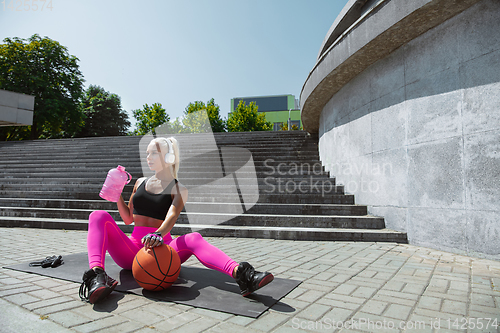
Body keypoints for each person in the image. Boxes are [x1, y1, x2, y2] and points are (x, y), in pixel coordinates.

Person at [79, 137, 273, 304]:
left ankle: (242, 275)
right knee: (98, 215)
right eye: (147, 153)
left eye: (153, 153)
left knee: (194, 238)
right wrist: (117, 195)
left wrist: (159, 234)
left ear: (168, 157)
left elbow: (172, 215)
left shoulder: (179, 188)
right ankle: (97, 276)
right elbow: (128, 219)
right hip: (132, 251)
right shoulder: (139, 182)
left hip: (163, 247)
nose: (148, 158)